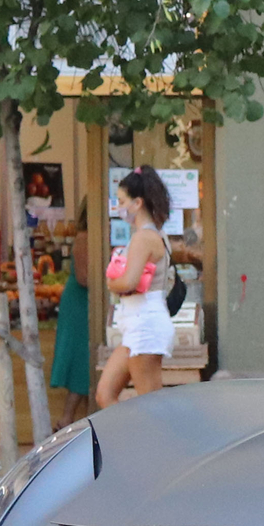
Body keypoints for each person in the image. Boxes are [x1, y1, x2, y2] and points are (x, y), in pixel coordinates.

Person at [95, 168, 174, 408]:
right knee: (105, 394)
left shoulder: (143, 238)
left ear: (137, 203)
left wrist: (111, 282)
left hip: (145, 324)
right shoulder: (156, 234)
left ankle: (162, 444)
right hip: (138, 323)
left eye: (121, 202)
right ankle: (133, 440)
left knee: (151, 405)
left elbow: (129, 282)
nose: (118, 207)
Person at [46, 199, 94, 424]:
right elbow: (85, 278)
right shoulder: (84, 239)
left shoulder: (91, 238)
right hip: (80, 304)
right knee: (82, 361)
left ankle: (82, 421)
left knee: (85, 361)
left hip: (85, 302)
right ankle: (66, 419)